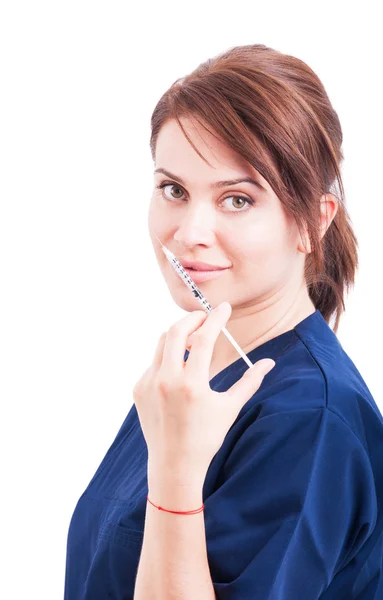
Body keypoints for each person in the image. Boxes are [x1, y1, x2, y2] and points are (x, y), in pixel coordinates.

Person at [64, 43, 383, 599]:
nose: (188, 233)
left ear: (313, 221)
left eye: (236, 199)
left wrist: (176, 472)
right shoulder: (192, 378)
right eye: (174, 190)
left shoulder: (309, 418)